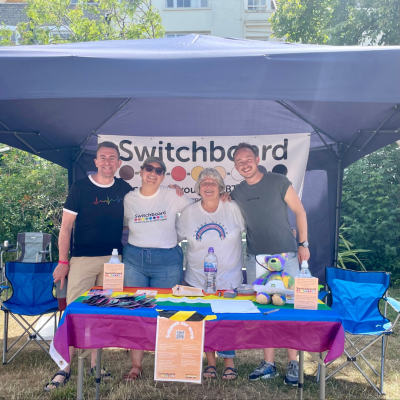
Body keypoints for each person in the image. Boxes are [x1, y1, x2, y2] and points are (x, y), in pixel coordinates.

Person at [45, 141, 132, 391]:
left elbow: (146, 203)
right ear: (96, 162)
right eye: (103, 157)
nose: (107, 162)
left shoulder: (124, 188)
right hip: (82, 260)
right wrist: (63, 262)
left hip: (113, 261)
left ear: (118, 163)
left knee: (102, 312)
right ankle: (65, 366)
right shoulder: (80, 187)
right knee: (73, 312)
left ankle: (96, 363)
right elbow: (65, 228)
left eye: (112, 158)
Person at [231, 143, 310, 387]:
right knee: (264, 309)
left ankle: (294, 363)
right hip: (256, 257)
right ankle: (269, 364)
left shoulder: (277, 181)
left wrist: (303, 243)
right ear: (235, 166)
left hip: (286, 254)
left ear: (257, 159)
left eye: (247, 159)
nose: (244, 164)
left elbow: (300, 211)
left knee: (289, 309)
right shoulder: (236, 192)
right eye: (239, 162)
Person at [122, 156, 194, 381]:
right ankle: (136, 366)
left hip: (168, 260)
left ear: (163, 176)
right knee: (137, 311)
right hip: (134, 259)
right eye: (149, 169)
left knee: (169, 311)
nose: (153, 173)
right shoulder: (129, 198)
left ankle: (169, 365)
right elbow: (123, 224)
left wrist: (222, 196)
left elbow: (201, 208)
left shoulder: (173, 194)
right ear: (141, 172)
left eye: (159, 171)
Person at [176, 168, 245, 380]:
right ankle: (210, 363)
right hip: (197, 277)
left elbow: (252, 228)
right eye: (204, 183)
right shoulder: (189, 212)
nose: (208, 186)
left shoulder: (232, 207)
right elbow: (174, 239)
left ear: (221, 188)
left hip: (229, 277)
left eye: (213, 183)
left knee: (226, 321)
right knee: (203, 319)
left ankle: (229, 363)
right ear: (198, 188)